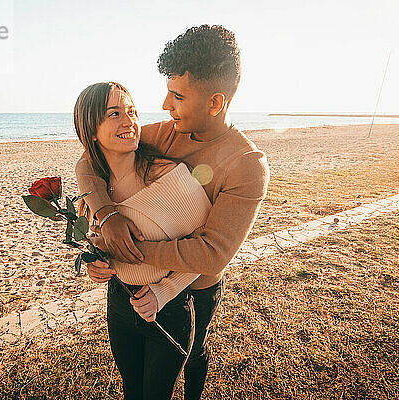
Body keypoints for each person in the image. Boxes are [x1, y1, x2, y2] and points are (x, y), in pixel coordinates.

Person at [76, 25, 270, 399]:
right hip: (137, 287)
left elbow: (212, 253)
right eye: (168, 92)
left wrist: (125, 249)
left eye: (177, 96)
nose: (165, 105)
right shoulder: (167, 132)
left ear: (214, 104)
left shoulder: (246, 165)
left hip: (195, 288)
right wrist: (107, 215)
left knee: (195, 353)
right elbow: (92, 153)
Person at [73, 81, 212, 400]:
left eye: (131, 111)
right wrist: (97, 265)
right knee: (131, 390)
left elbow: (205, 249)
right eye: (113, 114)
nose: (128, 121)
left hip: (169, 310)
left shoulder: (168, 176)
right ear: (91, 131)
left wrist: (163, 292)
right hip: (119, 304)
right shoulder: (96, 182)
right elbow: (98, 239)